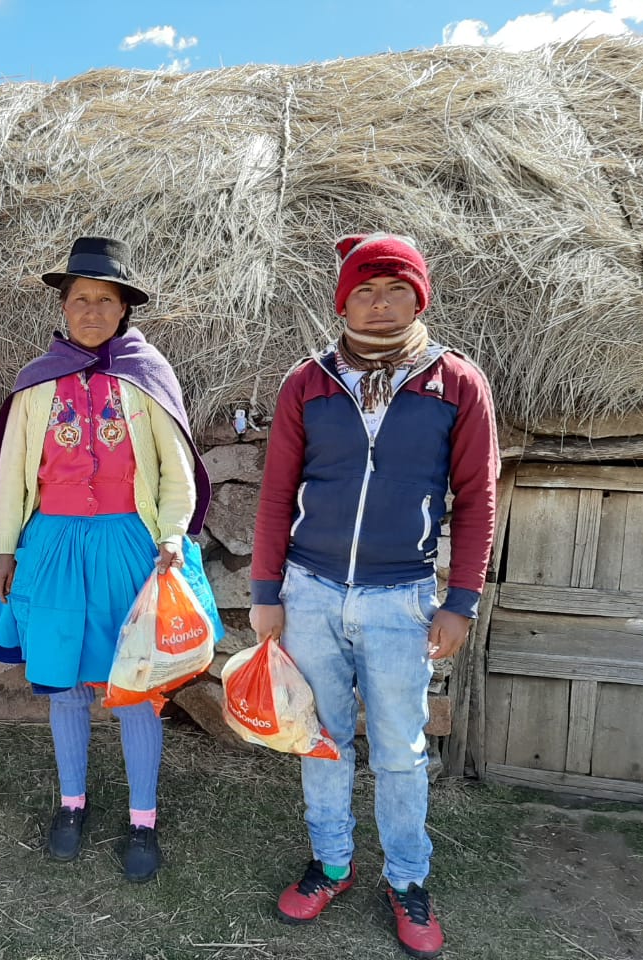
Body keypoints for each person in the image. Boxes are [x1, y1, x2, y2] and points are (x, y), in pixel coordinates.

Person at [250, 233, 498, 958]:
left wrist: (461, 602)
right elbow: (275, 493)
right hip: (311, 593)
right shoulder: (310, 381)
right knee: (323, 742)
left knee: (399, 750)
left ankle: (408, 879)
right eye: (365, 289)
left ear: (419, 298)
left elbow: (476, 499)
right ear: (343, 299)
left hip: (401, 600)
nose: (381, 304)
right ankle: (332, 863)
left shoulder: (454, 382)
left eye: (397, 290)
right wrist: (268, 592)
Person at [0, 236, 223, 883]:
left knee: (134, 689)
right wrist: (7, 549)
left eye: (105, 300)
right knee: (65, 688)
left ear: (123, 309)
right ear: (64, 307)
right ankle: (72, 804)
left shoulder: (146, 378)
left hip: (127, 548)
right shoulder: (37, 383)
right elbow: (11, 476)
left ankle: (142, 818)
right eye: (81, 299)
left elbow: (177, 474)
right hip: (54, 546)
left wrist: (171, 533)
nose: (92, 310)